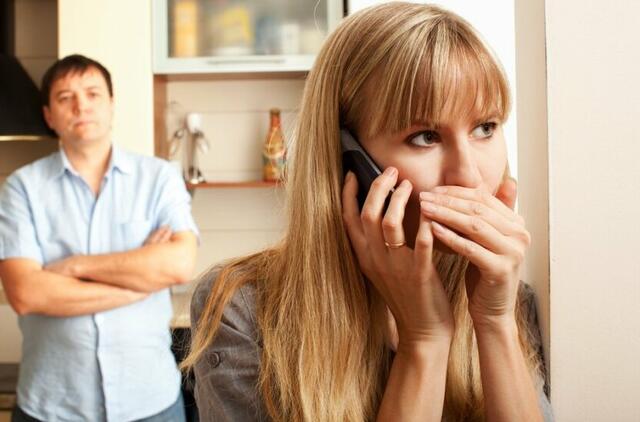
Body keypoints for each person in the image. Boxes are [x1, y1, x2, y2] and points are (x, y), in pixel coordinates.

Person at [184, 3, 553, 421]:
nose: (468, 176)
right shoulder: (241, 309)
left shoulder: (504, 293)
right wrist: (424, 341)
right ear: (349, 158)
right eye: (425, 136)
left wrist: (495, 322)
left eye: (485, 127)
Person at [0, 54, 198, 422]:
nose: (81, 106)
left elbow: (180, 263)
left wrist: (75, 266)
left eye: (92, 94)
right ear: (49, 116)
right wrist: (137, 288)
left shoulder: (159, 178)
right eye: (66, 98)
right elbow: (26, 293)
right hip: (52, 406)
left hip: (150, 403)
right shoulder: (22, 188)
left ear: (111, 104)